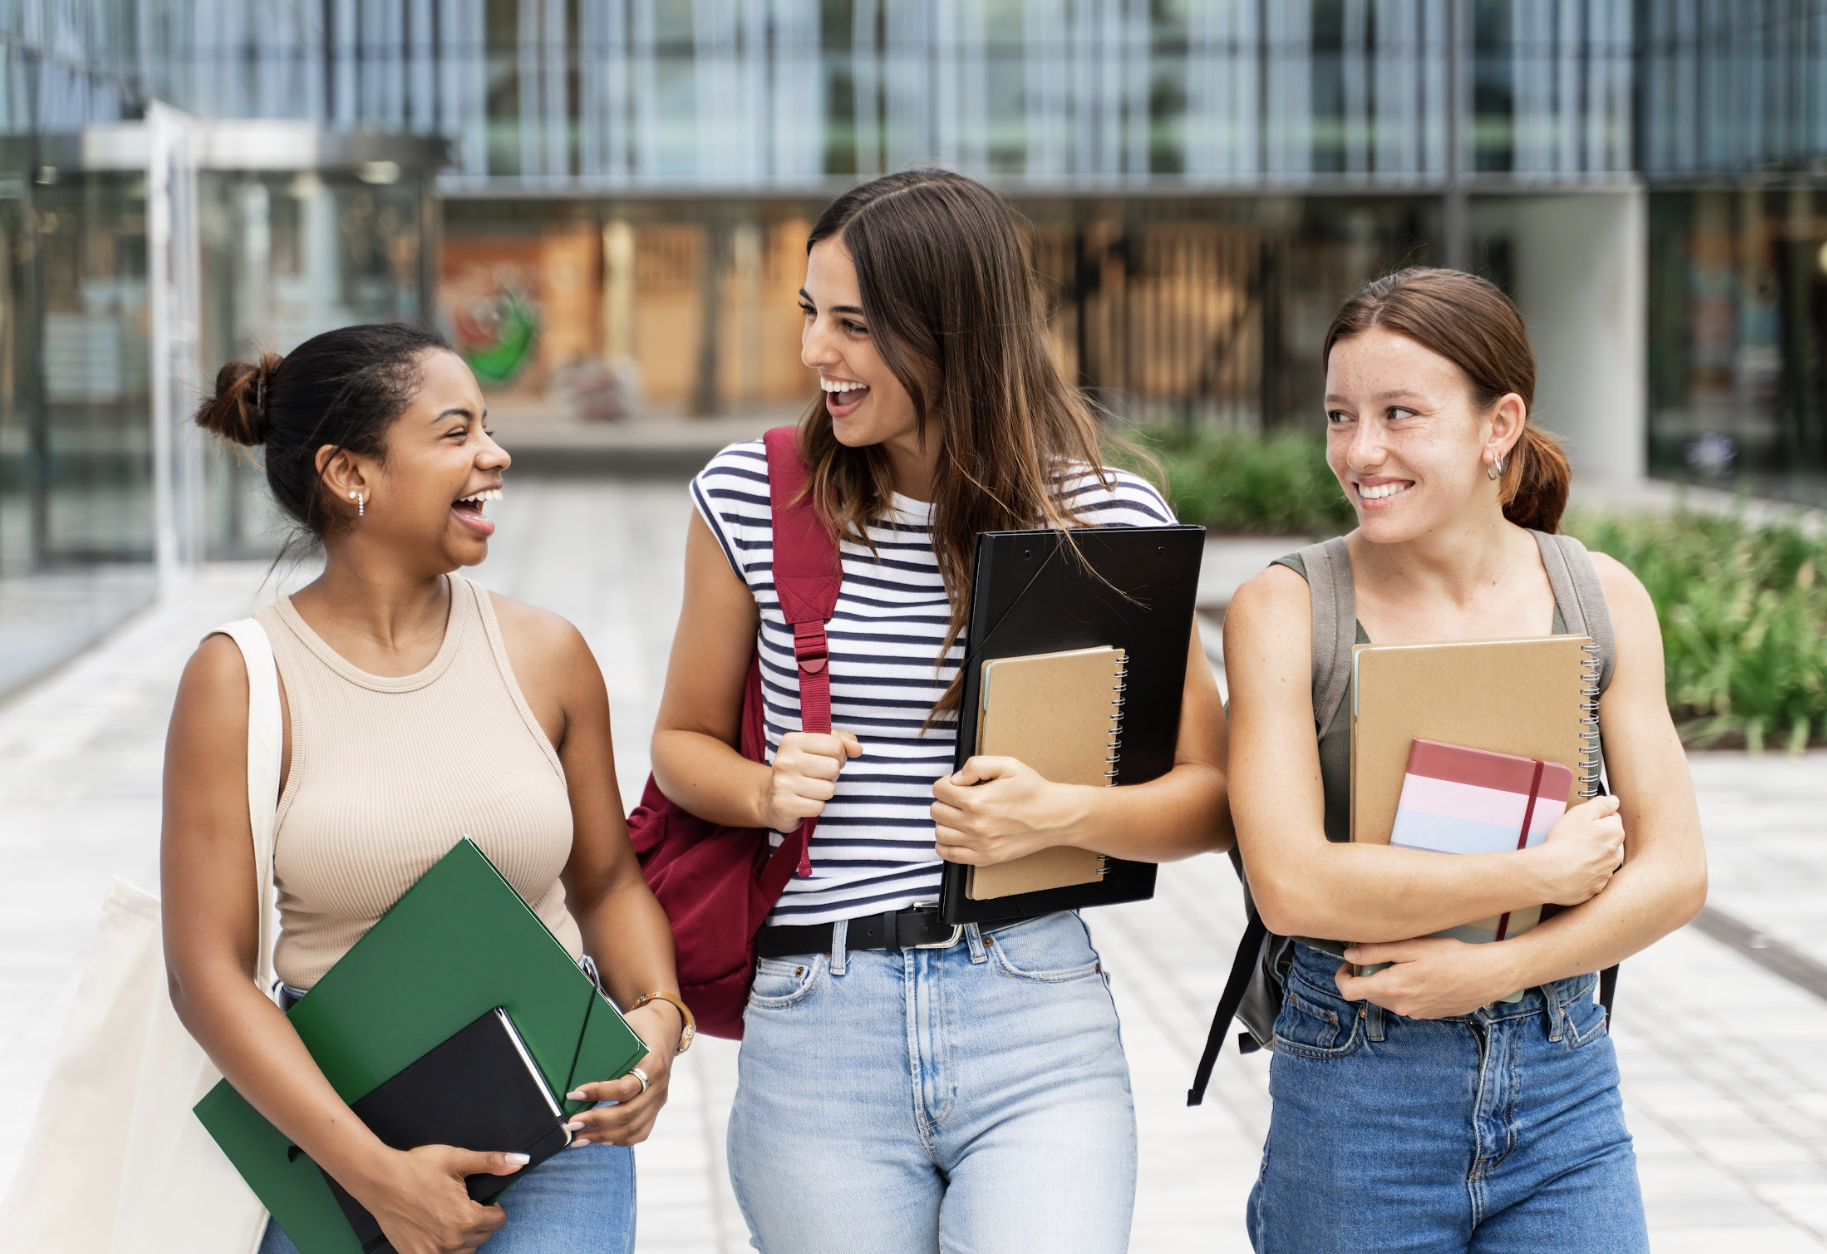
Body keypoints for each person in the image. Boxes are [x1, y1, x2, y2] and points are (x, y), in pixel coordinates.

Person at [649, 169, 1233, 1253]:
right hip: (817, 1025)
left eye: (856, 325)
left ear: (953, 330)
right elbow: (678, 745)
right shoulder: (753, 495)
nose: (818, 351)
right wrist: (761, 787)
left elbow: (1208, 798)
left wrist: (1056, 816)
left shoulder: (1104, 519)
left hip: (1032, 1011)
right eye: (810, 315)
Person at [163, 324, 686, 1254]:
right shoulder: (240, 678)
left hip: (558, 1114)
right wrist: (379, 1178)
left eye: (486, 427)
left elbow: (609, 885)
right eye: (455, 433)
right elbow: (207, 973)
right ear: (348, 473)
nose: (496, 453)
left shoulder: (549, 655)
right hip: (337, 1131)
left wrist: (658, 1019)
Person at [1224, 268, 1707, 1252]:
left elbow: (1675, 872)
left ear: (1499, 427)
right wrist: (1531, 875)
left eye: (1399, 414)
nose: (1360, 452)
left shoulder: (1597, 597)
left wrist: (1497, 970)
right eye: (1338, 416)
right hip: (1359, 1087)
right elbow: (1290, 884)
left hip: (1560, 1080)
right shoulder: (1283, 608)